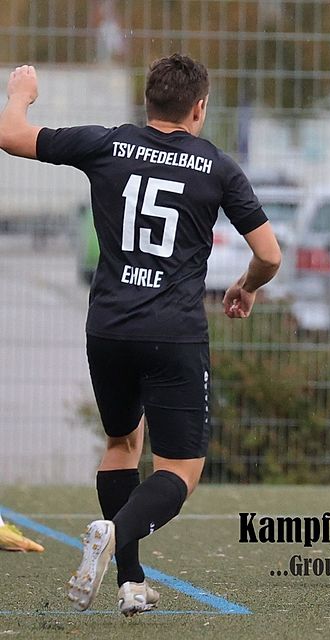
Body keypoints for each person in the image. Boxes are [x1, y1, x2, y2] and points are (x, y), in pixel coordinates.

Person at [0, 55, 281, 615]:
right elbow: (269, 254)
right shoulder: (218, 168)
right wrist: (246, 286)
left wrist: (22, 92)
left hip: (108, 327)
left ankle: (129, 583)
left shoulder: (107, 144)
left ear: (147, 102)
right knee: (180, 470)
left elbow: (10, 136)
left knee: (121, 444)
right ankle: (113, 530)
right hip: (172, 332)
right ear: (199, 108)